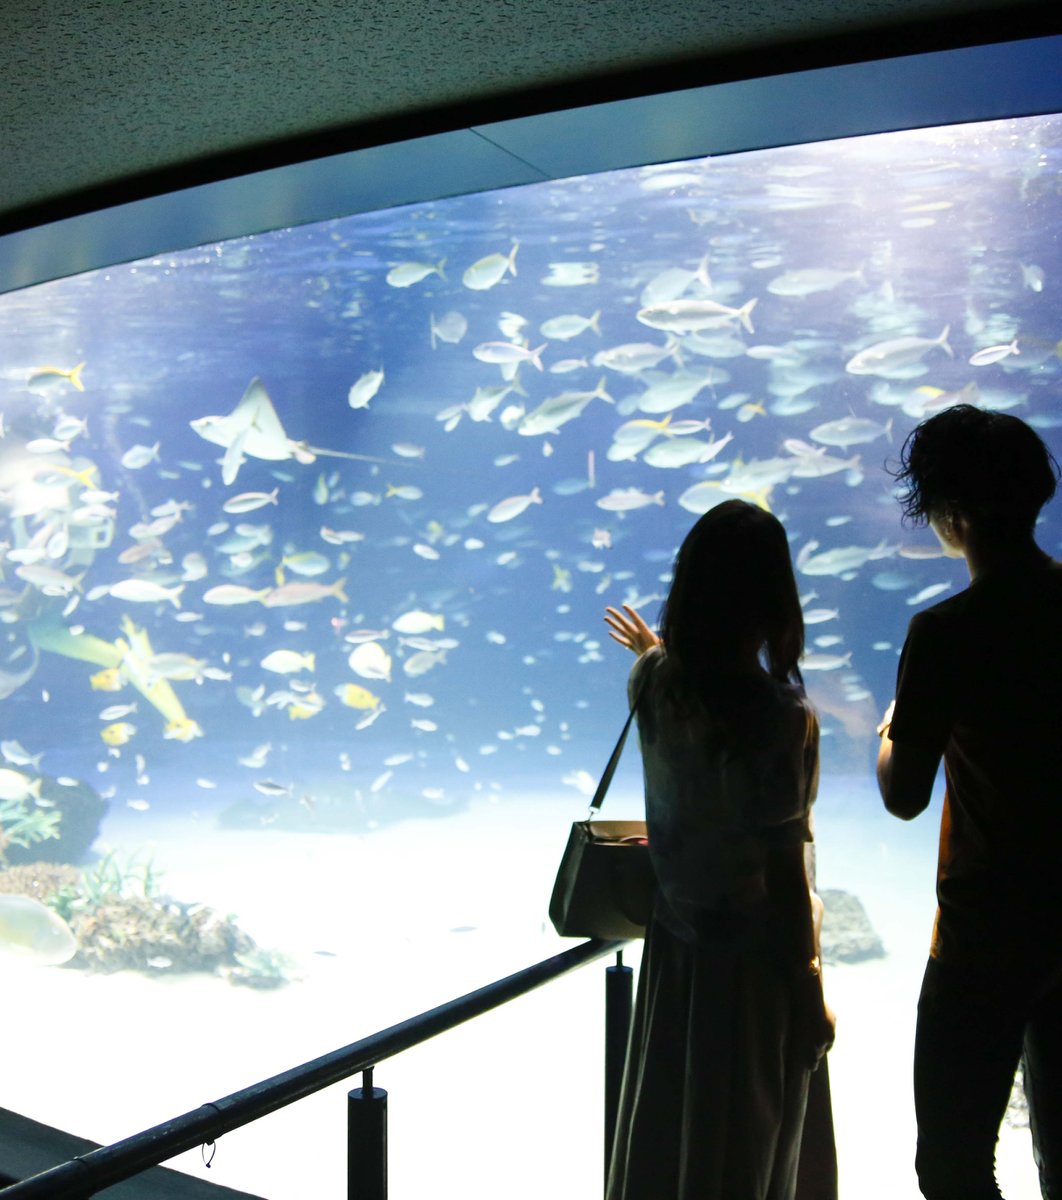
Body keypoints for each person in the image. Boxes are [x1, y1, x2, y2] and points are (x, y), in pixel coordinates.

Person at [603, 498, 836, 1200]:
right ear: (772, 599)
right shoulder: (779, 718)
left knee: (674, 1131)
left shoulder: (653, 681)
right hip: (753, 973)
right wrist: (809, 989)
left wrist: (654, 649)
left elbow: (677, 684)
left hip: (677, 953)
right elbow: (783, 873)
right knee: (746, 1137)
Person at [876, 404, 1062, 1200]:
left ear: (948, 513)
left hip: (985, 932)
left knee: (953, 1164)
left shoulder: (946, 634)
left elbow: (905, 795)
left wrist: (891, 732)